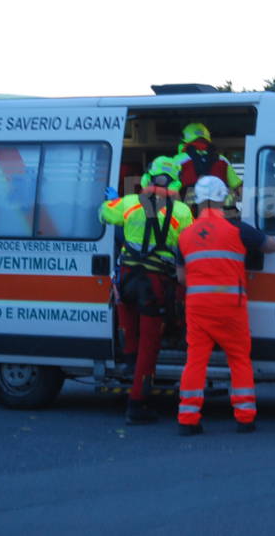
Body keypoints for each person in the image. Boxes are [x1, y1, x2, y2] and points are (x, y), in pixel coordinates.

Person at [175, 175, 275, 435]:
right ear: (224, 199)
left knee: (196, 362)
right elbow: (272, 246)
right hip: (230, 305)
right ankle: (245, 417)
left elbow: (181, 277)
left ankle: (188, 419)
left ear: (197, 202)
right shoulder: (239, 230)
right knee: (239, 359)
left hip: (198, 306)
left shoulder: (184, 236)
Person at [100, 156, 194, 424]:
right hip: (155, 285)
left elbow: (103, 213)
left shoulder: (129, 204)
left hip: (128, 279)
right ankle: (136, 405)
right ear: (175, 183)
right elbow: (186, 245)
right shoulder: (182, 212)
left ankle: (129, 357)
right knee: (149, 347)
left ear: (147, 178)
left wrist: (113, 201)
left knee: (126, 311)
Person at [173, 122, 243, 207]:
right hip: (217, 213)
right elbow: (239, 189)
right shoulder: (222, 160)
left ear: (185, 139)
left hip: (188, 213)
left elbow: (169, 188)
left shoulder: (178, 160)